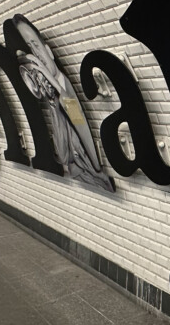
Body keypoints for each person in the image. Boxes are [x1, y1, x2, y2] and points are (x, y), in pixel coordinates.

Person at [11, 15, 114, 193]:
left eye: (35, 46)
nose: (35, 56)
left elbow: (77, 116)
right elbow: (63, 156)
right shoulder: (53, 97)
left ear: (49, 51)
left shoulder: (64, 88)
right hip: (81, 173)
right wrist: (51, 100)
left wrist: (51, 80)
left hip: (93, 173)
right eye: (29, 50)